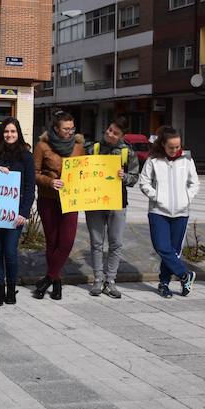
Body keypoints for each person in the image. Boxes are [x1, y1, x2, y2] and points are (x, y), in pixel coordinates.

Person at [138, 126, 199, 299]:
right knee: (161, 247)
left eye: (177, 147)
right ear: (163, 144)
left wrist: (187, 198)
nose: (175, 150)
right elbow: (144, 183)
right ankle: (185, 274)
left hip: (181, 212)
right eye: (171, 147)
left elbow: (194, 183)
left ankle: (164, 283)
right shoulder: (153, 160)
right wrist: (156, 196)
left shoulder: (186, 159)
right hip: (158, 211)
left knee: (173, 250)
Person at [84, 117, 140, 299]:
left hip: (117, 202)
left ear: (122, 136)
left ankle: (111, 280)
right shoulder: (94, 148)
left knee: (115, 243)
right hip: (95, 201)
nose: (110, 134)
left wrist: (124, 177)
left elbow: (134, 177)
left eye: (115, 133)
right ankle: (98, 279)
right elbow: (81, 170)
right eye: (109, 130)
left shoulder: (127, 152)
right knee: (96, 242)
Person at [32, 111, 85, 300]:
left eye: (72, 128)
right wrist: (49, 181)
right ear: (56, 128)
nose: (70, 132)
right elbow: (34, 173)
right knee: (52, 242)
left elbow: (84, 171)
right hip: (49, 199)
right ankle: (57, 283)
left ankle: (47, 278)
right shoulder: (42, 146)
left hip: (71, 200)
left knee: (67, 241)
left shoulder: (79, 147)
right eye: (66, 129)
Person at [0, 117, 35, 306]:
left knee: (10, 251)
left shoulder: (26, 156)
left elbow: (30, 188)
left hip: (16, 214)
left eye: (13, 131)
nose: (9, 135)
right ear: (1, 133)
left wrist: (24, 212)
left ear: (18, 133)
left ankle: (11, 288)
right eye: (6, 131)